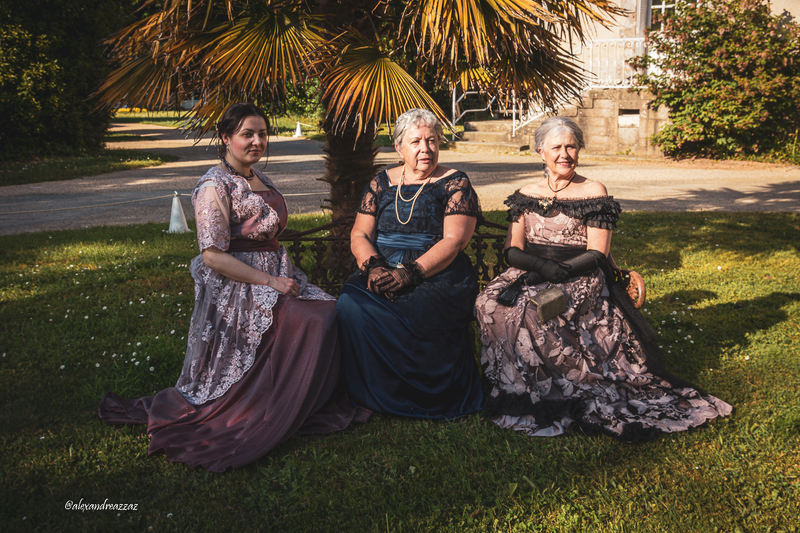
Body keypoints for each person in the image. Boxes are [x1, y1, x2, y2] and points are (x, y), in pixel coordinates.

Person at [99, 103, 369, 472]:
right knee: (314, 319)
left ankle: (303, 397)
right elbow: (212, 255)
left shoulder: (258, 177)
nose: (257, 141)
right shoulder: (214, 185)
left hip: (278, 273)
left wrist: (280, 273)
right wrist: (270, 281)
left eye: (262, 133)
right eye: (247, 134)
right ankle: (271, 403)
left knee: (332, 310)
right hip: (239, 284)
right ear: (226, 138)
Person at [475, 117, 732, 441]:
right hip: (529, 270)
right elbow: (512, 250)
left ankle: (555, 390)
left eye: (571, 146)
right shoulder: (526, 193)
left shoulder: (594, 191)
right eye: (557, 147)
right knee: (487, 303)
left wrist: (561, 272)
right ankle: (513, 388)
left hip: (580, 275)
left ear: (579, 149)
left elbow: (597, 253)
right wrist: (541, 267)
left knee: (531, 311)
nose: (564, 153)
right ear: (541, 150)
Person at [336, 108, 484, 420]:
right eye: (415, 141)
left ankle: (417, 395)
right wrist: (374, 268)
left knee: (415, 306)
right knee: (350, 302)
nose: (425, 149)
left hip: (436, 272)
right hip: (382, 267)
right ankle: (369, 391)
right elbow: (360, 233)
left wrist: (411, 273)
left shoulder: (454, 183)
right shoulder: (380, 183)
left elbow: (454, 241)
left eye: (432, 141)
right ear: (399, 147)